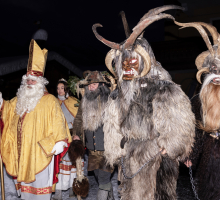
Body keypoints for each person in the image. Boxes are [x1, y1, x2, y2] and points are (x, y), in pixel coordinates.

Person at [92, 5, 195, 200]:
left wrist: (170, 145)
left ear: (143, 61)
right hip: (130, 153)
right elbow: (114, 121)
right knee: (131, 193)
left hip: (154, 153)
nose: (128, 68)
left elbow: (176, 117)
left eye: (133, 62)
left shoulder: (162, 87)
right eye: (124, 63)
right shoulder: (120, 93)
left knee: (153, 194)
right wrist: (117, 147)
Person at [0, 39, 72, 200]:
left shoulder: (50, 101)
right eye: (27, 80)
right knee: (26, 193)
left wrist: (59, 142)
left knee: (40, 192)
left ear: (40, 83)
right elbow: (6, 110)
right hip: (23, 153)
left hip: (41, 152)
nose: (29, 83)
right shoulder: (20, 99)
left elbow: (58, 122)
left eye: (33, 80)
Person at [176, 21, 220, 200]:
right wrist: (191, 156)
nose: (216, 76)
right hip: (209, 159)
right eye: (212, 70)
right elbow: (197, 132)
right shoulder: (198, 102)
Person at [73, 71, 115, 200]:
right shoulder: (84, 100)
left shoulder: (110, 100)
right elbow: (79, 118)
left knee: (103, 177)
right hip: (91, 148)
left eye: (94, 84)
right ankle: (110, 197)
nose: (91, 87)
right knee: (98, 176)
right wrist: (76, 134)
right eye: (90, 84)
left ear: (102, 85)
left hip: (107, 148)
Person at [52, 78, 82, 200]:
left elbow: (79, 120)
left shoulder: (74, 101)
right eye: (58, 88)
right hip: (60, 138)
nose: (60, 90)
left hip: (73, 138)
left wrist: (72, 127)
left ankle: (72, 191)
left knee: (73, 165)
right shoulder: (53, 103)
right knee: (59, 166)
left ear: (66, 89)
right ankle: (58, 193)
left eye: (62, 88)